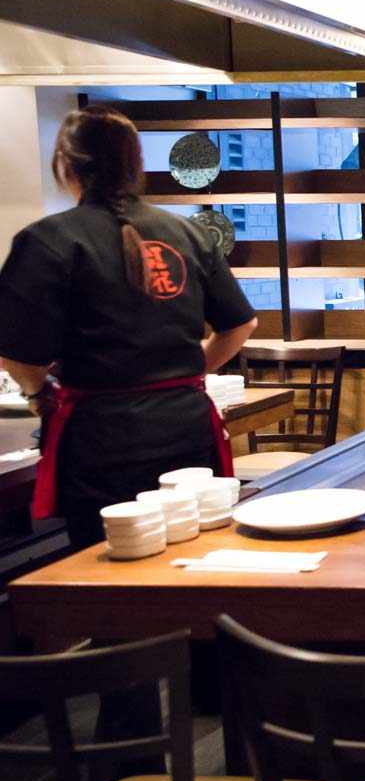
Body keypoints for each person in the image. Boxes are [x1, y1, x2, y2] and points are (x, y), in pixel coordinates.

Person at [0, 105, 259, 549]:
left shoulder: (48, 240)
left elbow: (18, 352)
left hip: (101, 441)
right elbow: (240, 325)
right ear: (135, 163)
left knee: (110, 561)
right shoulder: (188, 233)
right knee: (195, 551)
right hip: (185, 430)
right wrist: (187, 371)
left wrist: (38, 392)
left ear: (65, 166)